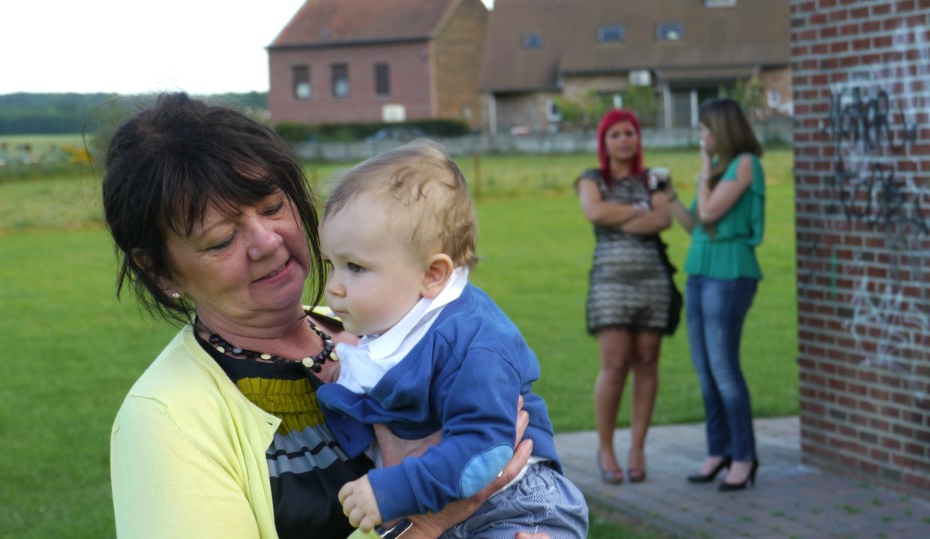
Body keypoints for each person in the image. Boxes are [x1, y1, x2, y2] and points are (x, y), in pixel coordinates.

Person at [103, 92, 549, 539]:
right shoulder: (165, 418)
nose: (267, 242)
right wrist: (424, 521)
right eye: (221, 239)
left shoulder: (388, 325)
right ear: (160, 271)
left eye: (273, 207)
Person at [316, 140, 589, 537]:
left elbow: (485, 449)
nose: (333, 287)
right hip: (444, 508)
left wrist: (391, 490)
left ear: (433, 274)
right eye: (331, 264)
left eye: (355, 267)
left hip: (514, 505)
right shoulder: (392, 325)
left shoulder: (473, 341)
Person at [665, 97, 765, 492]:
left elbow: (709, 214)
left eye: (704, 129)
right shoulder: (722, 169)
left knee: (724, 368)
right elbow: (695, 224)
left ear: (722, 130)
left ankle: (744, 455)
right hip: (701, 270)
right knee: (705, 368)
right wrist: (670, 195)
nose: (701, 137)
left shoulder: (745, 164)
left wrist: (704, 173)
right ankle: (718, 450)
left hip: (730, 273)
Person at [574, 108, 674, 485]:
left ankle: (637, 448)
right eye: (615, 134)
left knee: (647, 362)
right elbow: (594, 211)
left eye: (629, 133)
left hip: (653, 282)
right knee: (615, 365)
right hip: (610, 285)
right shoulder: (592, 179)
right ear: (604, 141)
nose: (623, 140)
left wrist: (619, 216)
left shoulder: (652, 179)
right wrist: (638, 210)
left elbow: (663, 219)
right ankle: (606, 448)